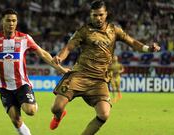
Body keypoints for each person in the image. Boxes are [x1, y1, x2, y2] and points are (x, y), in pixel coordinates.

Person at [50, 0, 160, 134]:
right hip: (79, 75)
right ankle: (58, 115)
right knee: (56, 107)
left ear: (106, 14)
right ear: (91, 15)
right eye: (95, 15)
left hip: (99, 80)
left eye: (101, 15)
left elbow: (132, 42)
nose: (98, 18)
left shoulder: (114, 30)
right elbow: (69, 47)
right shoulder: (84, 31)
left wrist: (148, 48)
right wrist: (60, 57)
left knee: (104, 114)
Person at [0, 8, 69, 135]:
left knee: (30, 111)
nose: (11, 23)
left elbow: (43, 54)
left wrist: (61, 69)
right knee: (16, 120)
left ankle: (49, 109)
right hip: (4, 87)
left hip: (21, 84)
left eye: (14, 20)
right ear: (2, 21)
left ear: (17, 22)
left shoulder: (24, 38)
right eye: (8, 20)